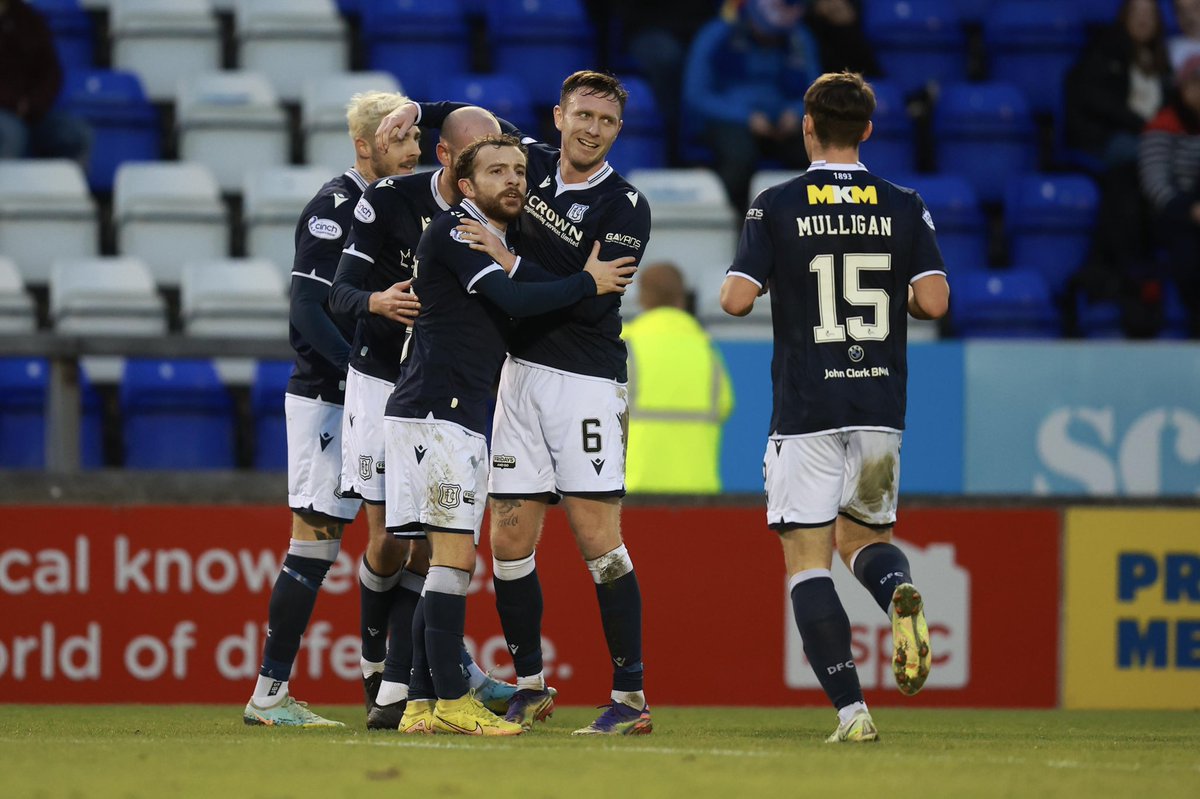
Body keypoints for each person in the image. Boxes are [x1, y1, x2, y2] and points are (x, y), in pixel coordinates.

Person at [375, 71, 654, 735]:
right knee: (506, 538)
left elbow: (595, 293)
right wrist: (418, 108)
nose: (590, 129)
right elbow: (468, 128)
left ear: (618, 130)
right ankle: (531, 683)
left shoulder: (627, 205)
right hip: (516, 375)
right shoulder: (526, 164)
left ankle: (631, 695)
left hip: (584, 379)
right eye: (581, 115)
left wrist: (506, 260)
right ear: (558, 115)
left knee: (597, 539)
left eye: (606, 121)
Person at [719, 71, 948, 743]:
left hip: (806, 404)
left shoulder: (777, 203)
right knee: (864, 540)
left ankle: (852, 711)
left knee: (808, 559)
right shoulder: (905, 203)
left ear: (806, 125)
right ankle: (896, 589)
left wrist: (780, 279)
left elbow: (734, 299)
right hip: (880, 402)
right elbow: (934, 302)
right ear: (869, 130)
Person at [328, 106, 521, 730]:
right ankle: (377, 671)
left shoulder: (493, 201)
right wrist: (376, 302)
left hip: (435, 382)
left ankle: (410, 692)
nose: (511, 172)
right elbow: (338, 294)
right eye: (490, 160)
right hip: (385, 376)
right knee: (393, 540)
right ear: (453, 162)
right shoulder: (391, 201)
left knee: (428, 544)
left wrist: (423, 107)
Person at [242, 90, 420, 727]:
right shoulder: (336, 206)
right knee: (315, 541)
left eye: (415, 137)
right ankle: (269, 694)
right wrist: (361, 373)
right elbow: (308, 309)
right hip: (329, 395)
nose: (413, 150)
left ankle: (404, 677)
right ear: (365, 146)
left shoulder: (407, 207)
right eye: (398, 139)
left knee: (408, 532)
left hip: (388, 400)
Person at [1065, 0, 1172, 335]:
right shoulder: (1104, 53)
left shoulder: (1164, 62)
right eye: (1137, 15)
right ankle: (1134, 272)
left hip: (1157, 143)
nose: (1142, 21)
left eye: (1149, 16)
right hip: (1116, 141)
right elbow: (1094, 101)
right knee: (1139, 158)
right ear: (1125, 18)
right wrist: (1143, 125)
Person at [682, 0, 821, 210]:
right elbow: (696, 95)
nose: (769, 37)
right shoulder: (718, 34)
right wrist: (746, 117)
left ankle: (806, 227)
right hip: (727, 122)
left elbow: (815, 89)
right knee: (739, 157)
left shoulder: (798, 37)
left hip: (782, 124)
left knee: (817, 152)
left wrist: (795, 111)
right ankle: (734, 225)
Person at [622, 262, 734, 494]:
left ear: (641, 298)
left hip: (636, 487)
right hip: (699, 490)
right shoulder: (705, 348)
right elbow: (725, 405)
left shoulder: (625, 345)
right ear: (682, 299)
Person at [1139, 53, 1200, 337]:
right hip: (1174, 214)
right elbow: (1155, 185)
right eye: (1195, 84)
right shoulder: (1163, 126)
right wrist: (1189, 211)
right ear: (1181, 88)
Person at [0, 0, 90, 163]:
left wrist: (33, 104)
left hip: (32, 112)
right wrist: (14, 104)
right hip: (6, 111)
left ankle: (63, 188)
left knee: (75, 134)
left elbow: (51, 72)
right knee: (11, 134)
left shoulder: (28, 18)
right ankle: (6, 188)